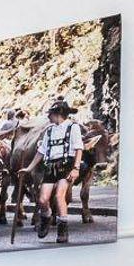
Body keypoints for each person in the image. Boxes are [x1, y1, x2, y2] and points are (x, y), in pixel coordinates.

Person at [34, 99, 83, 243]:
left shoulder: (73, 127)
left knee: (59, 196)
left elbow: (79, 148)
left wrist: (76, 168)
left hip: (66, 165)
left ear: (58, 114)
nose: (48, 116)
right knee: (42, 199)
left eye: (50, 114)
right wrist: (28, 168)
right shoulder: (49, 130)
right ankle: (46, 216)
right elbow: (41, 151)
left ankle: (63, 229)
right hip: (50, 166)